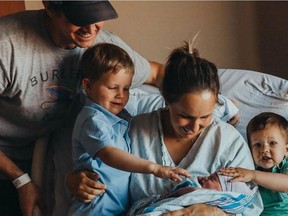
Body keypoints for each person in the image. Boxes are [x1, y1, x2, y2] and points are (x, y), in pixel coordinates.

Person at [0, 1, 165, 216]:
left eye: (97, 16)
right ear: (50, 8)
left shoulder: (103, 48)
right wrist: (20, 180)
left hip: (49, 154)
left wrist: (218, 107)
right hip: (7, 160)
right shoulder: (7, 45)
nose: (90, 28)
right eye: (79, 18)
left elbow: (157, 73)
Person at [66, 42, 262, 215]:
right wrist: (73, 180)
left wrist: (210, 212)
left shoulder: (229, 142)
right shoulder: (133, 130)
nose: (195, 127)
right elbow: (103, 158)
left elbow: (248, 206)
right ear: (167, 100)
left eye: (205, 116)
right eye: (184, 116)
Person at [68, 43, 190, 216]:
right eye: (112, 88)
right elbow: (109, 154)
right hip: (94, 209)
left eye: (126, 89)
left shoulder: (122, 117)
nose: (120, 95)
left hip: (120, 209)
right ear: (88, 86)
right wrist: (154, 168)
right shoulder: (93, 119)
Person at [220, 112, 288, 216]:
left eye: (272, 143)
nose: (264, 149)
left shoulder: (284, 164)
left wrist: (253, 175)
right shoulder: (248, 165)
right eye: (257, 145)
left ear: (286, 149)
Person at [131, 172, 257, 215]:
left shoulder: (207, 194)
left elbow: (190, 192)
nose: (205, 178)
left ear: (224, 192)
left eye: (212, 179)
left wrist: (178, 192)